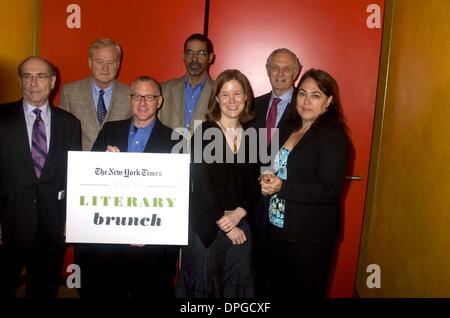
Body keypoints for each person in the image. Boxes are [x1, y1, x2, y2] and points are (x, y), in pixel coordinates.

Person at [75, 76, 182, 298]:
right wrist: (103, 165)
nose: (142, 103)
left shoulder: (174, 139)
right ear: (130, 99)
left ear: (159, 101)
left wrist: (151, 232)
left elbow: (177, 196)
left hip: (150, 244)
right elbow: (90, 181)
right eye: (137, 96)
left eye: (149, 97)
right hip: (111, 241)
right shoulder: (109, 131)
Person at [259, 69, 350, 297]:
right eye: (302, 94)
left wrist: (282, 187)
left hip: (309, 236)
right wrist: (267, 176)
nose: (307, 101)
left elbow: (329, 190)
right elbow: (277, 166)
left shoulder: (334, 137)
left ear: (329, 101)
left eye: (316, 95)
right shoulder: (291, 127)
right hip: (277, 227)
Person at [0, 56, 81, 298]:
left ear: (53, 81)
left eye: (41, 76)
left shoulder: (69, 124)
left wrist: (70, 218)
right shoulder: (1, 118)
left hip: (51, 228)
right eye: (27, 76)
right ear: (20, 81)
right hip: (8, 226)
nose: (34, 82)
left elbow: (72, 176)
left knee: (43, 292)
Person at [176, 69, 259, 298]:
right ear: (216, 99)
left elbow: (254, 185)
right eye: (225, 94)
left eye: (237, 94)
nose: (231, 101)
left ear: (246, 97)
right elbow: (201, 184)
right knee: (203, 290)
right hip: (208, 228)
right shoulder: (206, 132)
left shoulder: (252, 134)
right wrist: (228, 225)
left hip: (241, 223)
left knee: (237, 290)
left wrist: (239, 214)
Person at [251, 48, 302, 296]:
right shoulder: (253, 106)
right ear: (267, 70)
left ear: (296, 72)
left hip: (288, 204)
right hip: (253, 203)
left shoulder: (305, 109)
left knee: (282, 277)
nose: (280, 73)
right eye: (275, 67)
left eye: (287, 68)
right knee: (255, 271)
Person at [59, 38, 131, 151]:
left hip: (116, 165)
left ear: (118, 64)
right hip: (80, 164)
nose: (105, 68)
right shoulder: (70, 92)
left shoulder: (130, 94)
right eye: (99, 62)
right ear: (90, 62)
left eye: (110, 62)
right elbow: (62, 134)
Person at [158, 33, 214, 133]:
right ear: (183, 56)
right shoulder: (163, 90)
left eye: (201, 53)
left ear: (210, 57)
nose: (194, 59)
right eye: (189, 53)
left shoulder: (220, 93)